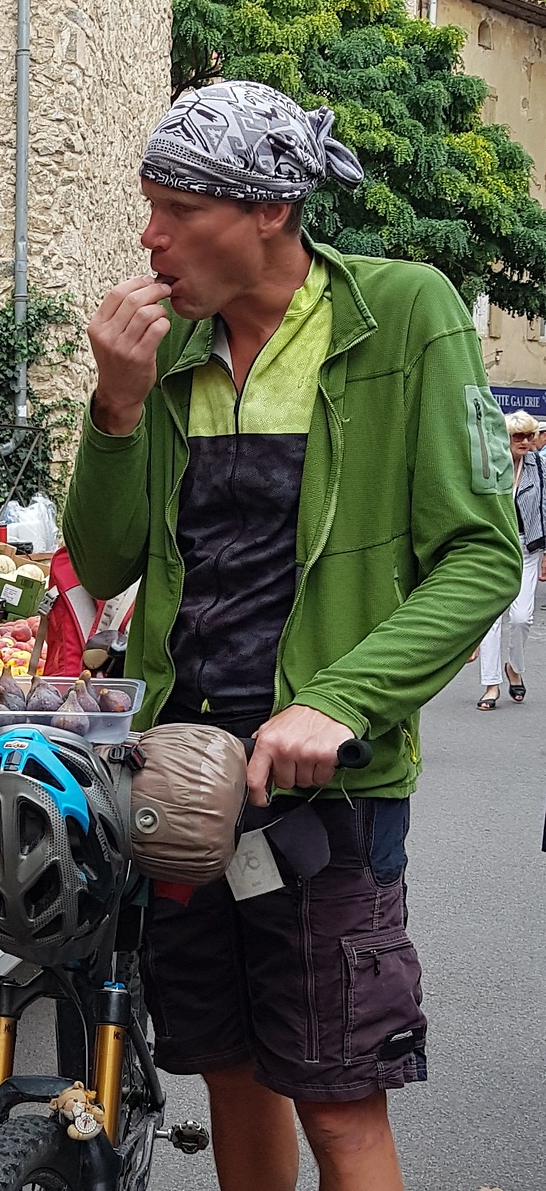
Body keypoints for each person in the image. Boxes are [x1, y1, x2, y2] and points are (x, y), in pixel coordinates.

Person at [60, 80, 521, 1191]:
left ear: (269, 209)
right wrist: (115, 408)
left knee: (340, 1097)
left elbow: (481, 555)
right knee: (230, 1073)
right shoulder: (169, 355)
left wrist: (341, 700)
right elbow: (108, 560)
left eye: (176, 207)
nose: (149, 236)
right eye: (148, 204)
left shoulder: (405, 311)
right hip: (182, 782)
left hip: (329, 794)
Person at [477, 409, 546, 709]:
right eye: (519, 436)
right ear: (505, 438)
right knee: (491, 617)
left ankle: (514, 669)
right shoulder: (491, 465)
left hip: (529, 547)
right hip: (495, 546)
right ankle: (491, 685)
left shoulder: (540, 467)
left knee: (521, 618)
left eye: (530, 436)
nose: (526, 441)